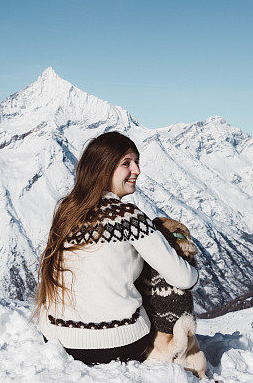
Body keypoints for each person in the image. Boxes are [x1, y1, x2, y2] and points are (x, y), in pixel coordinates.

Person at [33, 131, 199, 365]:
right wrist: (193, 269)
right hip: (118, 344)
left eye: (137, 162)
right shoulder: (128, 217)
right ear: (104, 168)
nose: (137, 171)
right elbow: (183, 279)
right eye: (126, 163)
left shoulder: (67, 210)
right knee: (164, 244)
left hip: (57, 339)